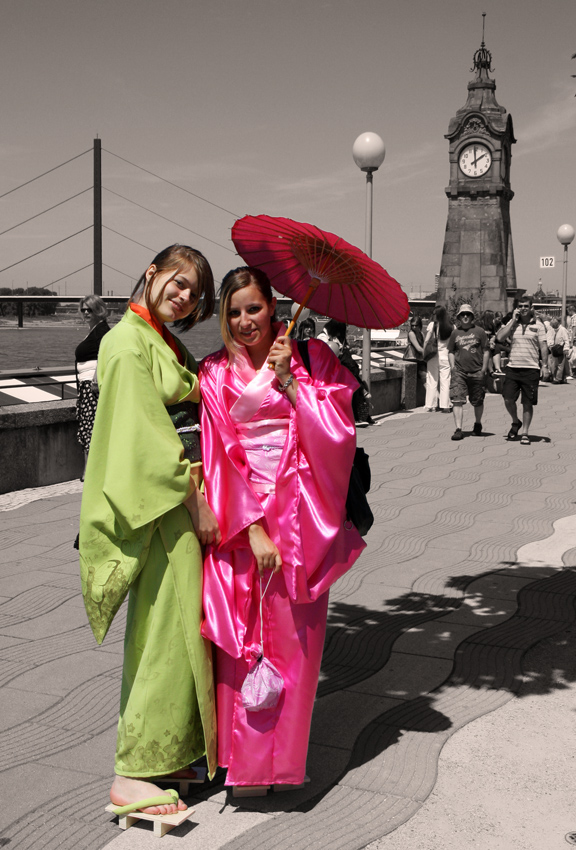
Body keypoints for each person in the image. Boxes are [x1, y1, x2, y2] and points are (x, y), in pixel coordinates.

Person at [198, 267, 365, 795]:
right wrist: (251, 530)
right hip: (242, 520)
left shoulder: (315, 360)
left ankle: (282, 764)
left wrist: (292, 382)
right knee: (241, 641)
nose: (246, 321)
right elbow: (218, 458)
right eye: (235, 311)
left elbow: (339, 436)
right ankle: (240, 761)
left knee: (295, 645)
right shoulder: (214, 372)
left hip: (300, 515)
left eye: (254, 308)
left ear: (273, 308)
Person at [78, 245, 219, 817]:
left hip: (175, 506)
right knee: (161, 636)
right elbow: (143, 436)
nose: (182, 296)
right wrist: (196, 499)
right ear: (151, 272)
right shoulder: (126, 341)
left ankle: (169, 752)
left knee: (182, 632)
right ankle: (133, 771)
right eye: (177, 281)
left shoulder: (159, 338)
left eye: (193, 291)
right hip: (164, 507)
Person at [496, 295, 548, 444]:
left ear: (531, 307)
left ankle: (525, 432)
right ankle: (515, 421)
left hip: (531, 368)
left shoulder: (538, 325)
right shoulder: (512, 324)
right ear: (517, 308)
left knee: (527, 402)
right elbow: (499, 337)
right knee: (507, 398)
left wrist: (544, 366)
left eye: (526, 306)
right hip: (513, 367)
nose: (523, 309)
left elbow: (543, 347)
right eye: (521, 306)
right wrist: (512, 320)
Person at [75, 295, 110, 480]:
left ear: (98, 310)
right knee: (87, 427)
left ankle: (89, 471)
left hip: (92, 388)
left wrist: (96, 377)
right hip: (85, 387)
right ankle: (89, 470)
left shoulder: (103, 331)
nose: (86, 313)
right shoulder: (93, 331)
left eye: (90, 309)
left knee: (90, 428)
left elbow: (107, 354)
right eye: (83, 310)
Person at [318, 318, 374, 424]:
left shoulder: (337, 336)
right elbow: (329, 352)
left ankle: (361, 417)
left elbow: (341, 349)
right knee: (354, 380)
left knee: (354, 384)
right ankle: (361, 414)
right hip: (330, 368)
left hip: (342, 366)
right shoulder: (323, 336)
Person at [447, 304, 489, 441]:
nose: (465, 316)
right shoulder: (455, 333)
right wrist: (453, 367)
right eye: (463, 314)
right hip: (459, 371)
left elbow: (486, 350)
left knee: (477, 400)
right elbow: (451, 351)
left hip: (477, 371)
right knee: (457, 400)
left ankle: (477, 423)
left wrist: (484, 368)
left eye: (468, 314)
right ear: (459, 317)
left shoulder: (480, 332)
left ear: (472, 317)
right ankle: (458, 429)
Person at [424, 305, 453, 412]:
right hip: (445, 356)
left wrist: (423, 352)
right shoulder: (451, 326)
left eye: (434, 314)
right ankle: (445, 406)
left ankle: (430, 405)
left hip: (433, 356)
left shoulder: (432, 325)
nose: (433, 316)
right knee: (445, 381)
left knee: (432, 380)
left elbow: (426, 341)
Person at [546, 317, 570, 384]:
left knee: (560, 364)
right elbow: (549, 337)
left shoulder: (563, 329)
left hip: (560, 348)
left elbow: (566, 339)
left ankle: (558, 378)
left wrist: (566, 348)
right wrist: (550, 345)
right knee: (554, 364)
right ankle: (560, 378)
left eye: (554, 325)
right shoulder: (552, 330)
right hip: (554, 349)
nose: (553, 326)